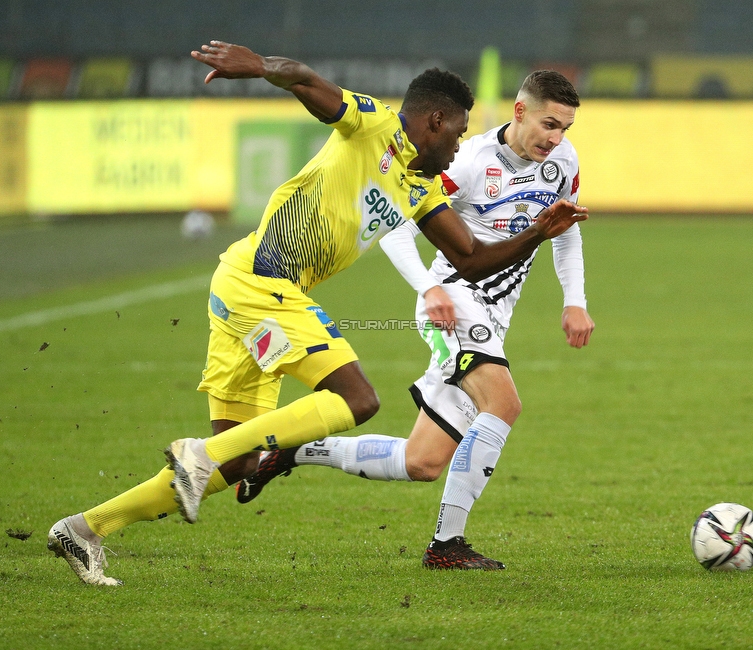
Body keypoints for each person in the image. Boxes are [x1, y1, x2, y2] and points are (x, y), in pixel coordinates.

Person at [47, 42, 588, 586]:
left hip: (247, 290)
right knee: (357, 400)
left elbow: (471, 258)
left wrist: (541, 230)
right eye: (458, 132)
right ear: (435, 120)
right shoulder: (374, 124)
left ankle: (85, 528)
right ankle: (198, 453)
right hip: (261, 283)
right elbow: (306, 80)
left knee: (237, 464)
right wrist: (258, 66)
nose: (461, 144)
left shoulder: (418, 187)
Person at [234, 70, 593, 571]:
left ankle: (292, 453)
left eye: (565, 130)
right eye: (549, 125)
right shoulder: (468, 161)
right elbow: (397, 225)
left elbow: (566, 231)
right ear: (519, 111)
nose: (555, 140)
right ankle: (447, 546)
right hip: (453, 302)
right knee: (504, 403)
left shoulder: (563, 163)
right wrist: (428, 289)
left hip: (495, 315)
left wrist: (573, 300)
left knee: (420, 462)